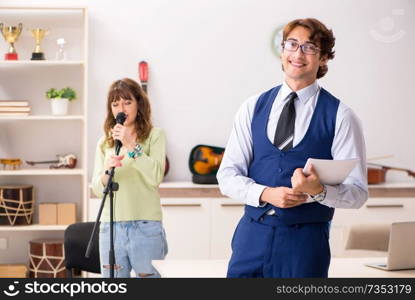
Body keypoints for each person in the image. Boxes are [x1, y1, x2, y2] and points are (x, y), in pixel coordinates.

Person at [217, 18, 367, 278]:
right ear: (282, 51)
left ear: (323, 59)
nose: (298, 53)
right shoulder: (252, 108)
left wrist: (319, 191)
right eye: (292, 44)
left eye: (309, 47)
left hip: (305, 244)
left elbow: (357, 193)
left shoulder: (341, 116)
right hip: (252, 236)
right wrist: (265, 193)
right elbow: (227, 175)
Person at [91, 78, 168, 278]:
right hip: (111, 227)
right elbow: (97, 190)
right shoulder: (104, 143)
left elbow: (155, 176)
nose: (121, 109)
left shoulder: (154, 136)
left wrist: (131, 145)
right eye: (115, 104)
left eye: (127, 102)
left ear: (139, 104)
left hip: (145, 227)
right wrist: (107, 171)